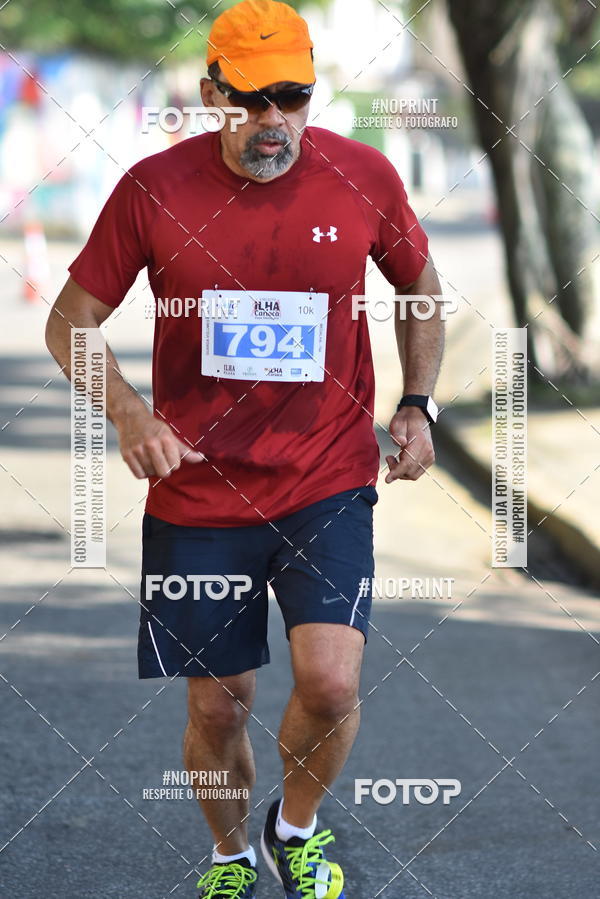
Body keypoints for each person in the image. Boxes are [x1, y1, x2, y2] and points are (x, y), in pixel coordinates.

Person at [45, 1, 444, 896]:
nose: (272, 121)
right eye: (252, 100)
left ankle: (294, 826)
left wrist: (418, 403)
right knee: (218, 703)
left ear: (311, 92)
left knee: (332, 684)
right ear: (212, 92)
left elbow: (418, 280)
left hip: (327, 477)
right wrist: (130, 414)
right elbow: (69, 321)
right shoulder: (154, 189)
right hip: (200, 495)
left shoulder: (365, 178)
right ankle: (231, 855)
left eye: (292, 98)